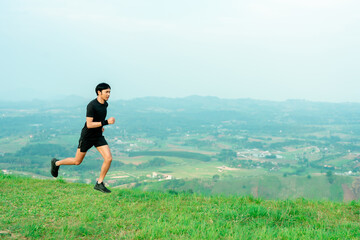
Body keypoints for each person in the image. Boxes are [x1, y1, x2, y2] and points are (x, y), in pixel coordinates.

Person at [51, 83, 115, 193]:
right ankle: (56, 163)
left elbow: (98, 119)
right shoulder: (91, 105)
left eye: (109, 92)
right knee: (77, 161)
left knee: (108, 158)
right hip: (87, 136)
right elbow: (89, 124)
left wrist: (101, 127)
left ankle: (99, 183)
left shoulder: (105, 104)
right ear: (99, 92)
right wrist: (106, 122)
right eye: (106, 92)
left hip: (98, 136)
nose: (109, 94)